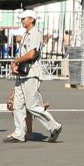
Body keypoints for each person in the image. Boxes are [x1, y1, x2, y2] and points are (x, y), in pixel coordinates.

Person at [6, 11, 63, 143]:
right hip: (22, 74)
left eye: (24, 18)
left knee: (32, 106)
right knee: (17, 104)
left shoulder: (35, 34)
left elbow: (31, 54)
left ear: (32, 19)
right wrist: (16, 63)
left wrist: (17, 61)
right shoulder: (26, 34)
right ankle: (19, 133)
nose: (22, 21)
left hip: (31, 74)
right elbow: (24, 54)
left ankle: (54, 126)